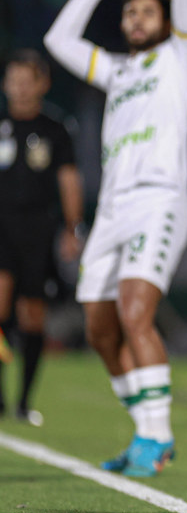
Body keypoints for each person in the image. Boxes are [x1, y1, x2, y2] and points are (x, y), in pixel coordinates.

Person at [43, 0, 187, 477]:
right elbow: (57, 43)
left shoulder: (182, 61)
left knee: (137, 313)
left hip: (159, 200)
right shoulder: (117, 72)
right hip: (111, 211)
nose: (135, 20)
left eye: (146, 13)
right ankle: (146, 432)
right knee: (99, 330)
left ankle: (156, 439)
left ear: (165, 23)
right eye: (129, 13)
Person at [0, 49, 84, 425]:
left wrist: (72, 227)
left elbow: (68, 180)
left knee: (33, 316)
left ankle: (23, 402)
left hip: (37, 229)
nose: (18, 87)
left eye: (26, 79)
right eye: (12, 79)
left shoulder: (55, 129)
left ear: (42, 84)